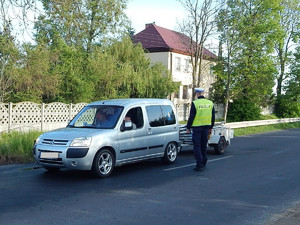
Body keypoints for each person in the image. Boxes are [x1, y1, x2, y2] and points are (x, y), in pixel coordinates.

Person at [186, 88, 215, 171]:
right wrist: (211, 127)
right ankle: (204, 161)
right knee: (203, 145)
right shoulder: (210, 103)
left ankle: (199, 164)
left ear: (197, 94)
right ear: (203, 94)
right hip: (206, 127)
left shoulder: (195, 103)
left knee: (197, 146)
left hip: (197, 128)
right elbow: (213, 116)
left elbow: (191, 117)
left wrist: (188, 127)